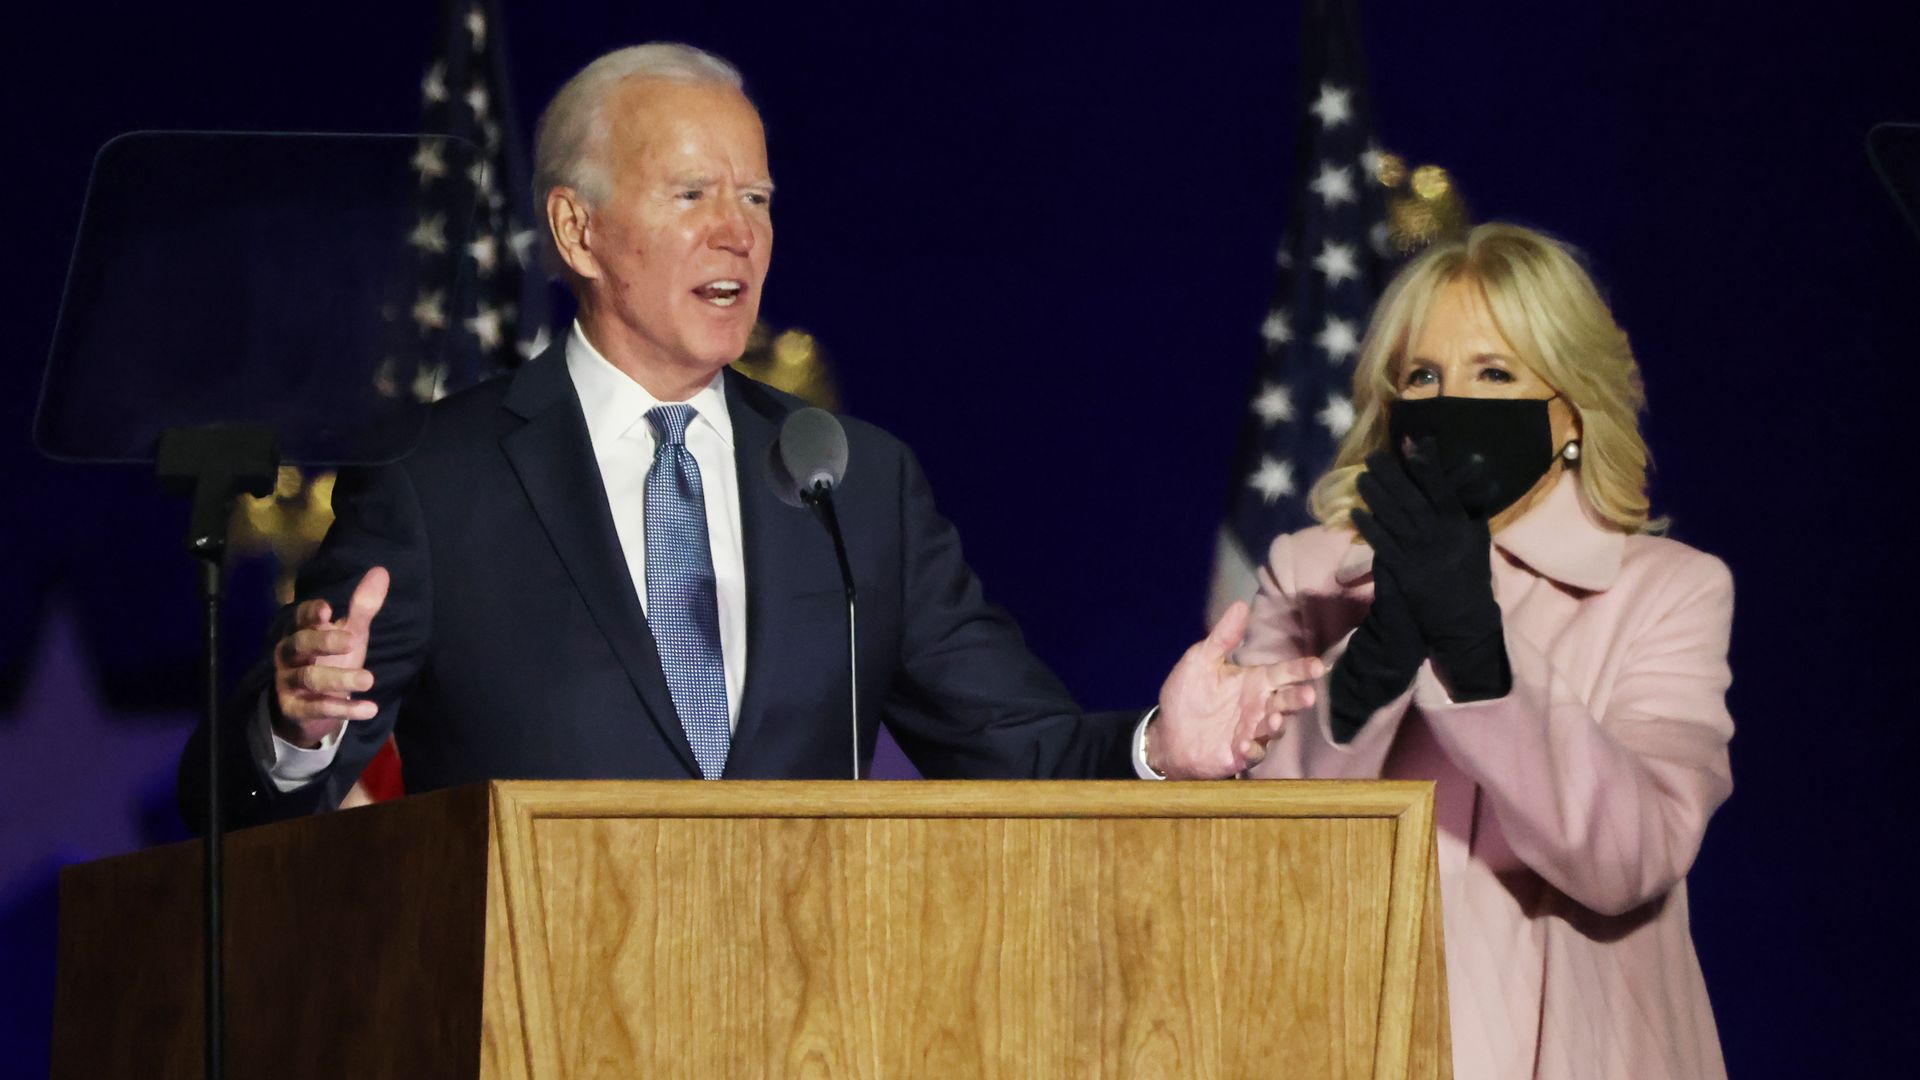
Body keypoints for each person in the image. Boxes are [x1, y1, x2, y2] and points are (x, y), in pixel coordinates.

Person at [179, 43, 1318, 827]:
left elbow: (1022, 748)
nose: (738, 233)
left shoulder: (853, 482)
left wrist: (1158, 749)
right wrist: (292, 724)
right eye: (691, 196)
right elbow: (236, 807)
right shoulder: (436, 478)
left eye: (758, 200)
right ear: (576, 230)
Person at [1238, 223, 1732, 1079]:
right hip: (1345, 1041)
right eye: (1423, 376)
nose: (1450, 402)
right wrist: (1379, 652)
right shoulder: (1308, 575)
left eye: (1495, 374)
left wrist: (1477, 646)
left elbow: (1632, 858)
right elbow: (1257, 849)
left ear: (1571, 411)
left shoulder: (1669, 591)